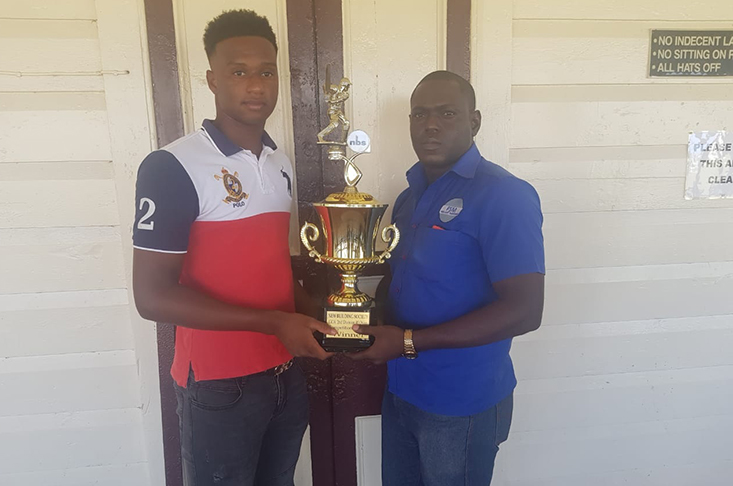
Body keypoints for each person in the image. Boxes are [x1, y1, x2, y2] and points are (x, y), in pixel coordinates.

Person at [131, 10, 335, 486]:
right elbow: (153, 297)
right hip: (219, 386)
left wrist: (324, 317)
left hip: (285, 371)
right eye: (238, 72)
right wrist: (275, 323)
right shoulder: (171, 166)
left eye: (265, 71)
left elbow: (270, 267)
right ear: (212, 80)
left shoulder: (278, 162)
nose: (255, 85)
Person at [351, 71, 545, 485]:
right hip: (402, 390)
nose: (431, 125)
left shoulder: (504, 196)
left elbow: (525, 311)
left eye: (447, 113)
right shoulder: (408, 198)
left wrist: (406, 342)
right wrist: (350, 319)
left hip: (461, 403)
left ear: (474, 122)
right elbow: (404, 281)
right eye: (419, 114)